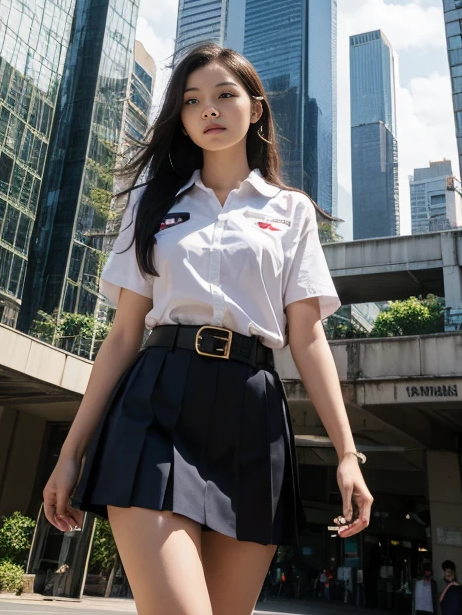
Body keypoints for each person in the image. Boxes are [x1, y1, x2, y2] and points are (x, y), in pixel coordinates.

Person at [42, 43, 373, 615]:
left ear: (257, 109)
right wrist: (70, 451)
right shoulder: (150, 203)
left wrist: (347, 452)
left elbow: (308, 336)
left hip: (253, 414)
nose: (209, 110)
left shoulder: (290, 211)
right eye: (192, 101)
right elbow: (123, 335)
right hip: (156, 404)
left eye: (225, 95)